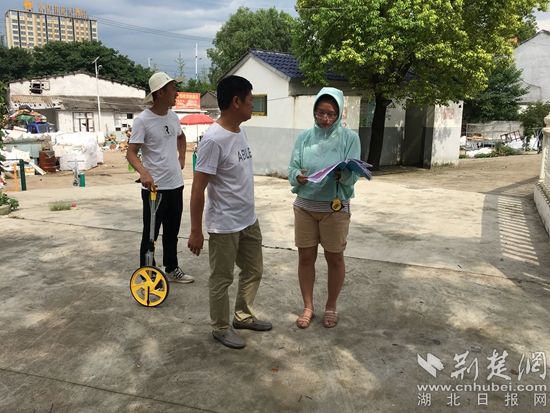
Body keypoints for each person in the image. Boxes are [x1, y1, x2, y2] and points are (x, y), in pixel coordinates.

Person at [188, 75, 271, 349]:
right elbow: (198, 188)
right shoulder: (213, 140)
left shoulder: (239, 131)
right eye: (250, 100)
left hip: (248, 219)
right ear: (236, 102)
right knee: (221, 278)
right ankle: (220, 328)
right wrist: (196, 231)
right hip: (224, 224)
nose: (252, 105)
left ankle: (243, 316)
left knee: (254, 269)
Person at [288, 87, 361, 329]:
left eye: (331, 114)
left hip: (334, 208)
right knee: (305, 257)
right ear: (314, 111)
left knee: (335, 258)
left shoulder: (349, 138)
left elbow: (354, 174)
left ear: (339, 113)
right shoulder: (304, 138)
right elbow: (292, 167)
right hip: (305, 206)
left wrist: (344, 174)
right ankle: (308, 306)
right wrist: (297, 176)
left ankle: (331, 306)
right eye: (321, 113)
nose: (326, 119)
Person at [127, 72, 194, 284]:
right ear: (160, 92)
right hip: (155, 189)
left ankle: (172, 268)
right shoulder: (143, 121)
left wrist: (182, 157)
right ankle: (148, 275)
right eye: (173, 88)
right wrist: (143, 172)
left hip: (176, 185)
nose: (177, 93)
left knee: (172, 232)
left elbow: (181, 137)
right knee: (150, 235)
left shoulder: (173, 117)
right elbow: (131, 153)